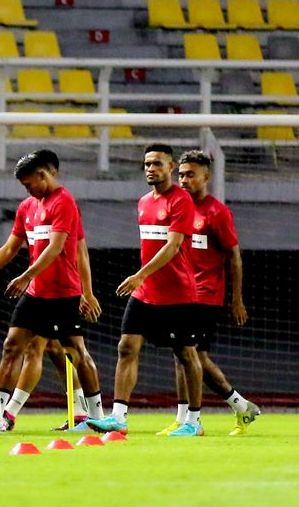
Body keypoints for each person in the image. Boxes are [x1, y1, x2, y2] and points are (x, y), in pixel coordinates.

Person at [0, 149, 104, 431]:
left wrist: (86, 291)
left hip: (62, 293)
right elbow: (11, 248)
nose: (28, 190)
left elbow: (58, 248)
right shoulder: (27, 207)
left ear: (43, 174)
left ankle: (97, 416)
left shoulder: (65, 203)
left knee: (74, 352)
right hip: (36, 293)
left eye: (29, 183)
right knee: (13, 346)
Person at [87, 143, 204, 437]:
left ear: (171, 167)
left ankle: (194, 421)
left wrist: (139, 275)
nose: (151, 169)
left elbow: (174, 245)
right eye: (147, 164)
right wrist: (143, 280)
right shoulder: (143, 202)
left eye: (157, 164)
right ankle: (118, 417)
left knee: (186, 355)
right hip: (146, 292)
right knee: (126, 347)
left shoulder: (181, 201)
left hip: (177, 293)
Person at [166, 149, 260, 436]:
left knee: (192, 355)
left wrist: (237, 299)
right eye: (180, 174)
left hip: (205, 294)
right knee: (180, 354)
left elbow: (234, 257)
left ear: (206, 176)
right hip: (181, 292)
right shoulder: (178, 207)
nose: (184, 179)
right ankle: (185, 418)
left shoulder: (216, 212)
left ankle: (237, 407)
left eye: (190, 174)